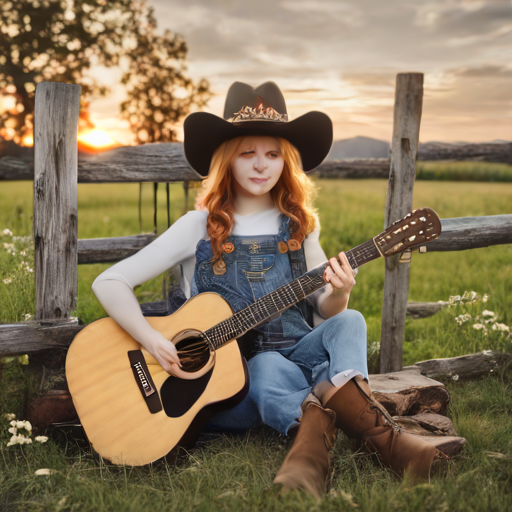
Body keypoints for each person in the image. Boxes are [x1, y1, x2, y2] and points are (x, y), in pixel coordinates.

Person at [92, 82, 437, 498]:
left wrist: (341, 291)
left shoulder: (299, 228)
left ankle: (363, 444)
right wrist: (152, 340)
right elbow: (108, 281)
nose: (261, 165)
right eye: (247, 153)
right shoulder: (196, 227)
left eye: (272, 154)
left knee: (351, 320)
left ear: (286, 161)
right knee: (268, 366)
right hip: (235, 386)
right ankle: (347, 432)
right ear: (227, 160)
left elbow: (324, 310)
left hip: (301, 356)